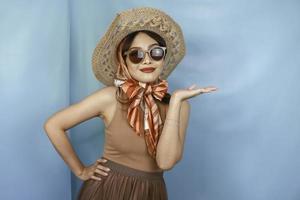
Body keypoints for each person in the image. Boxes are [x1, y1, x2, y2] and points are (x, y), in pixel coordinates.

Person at [44, 7, 217, 200]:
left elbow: (165, 162)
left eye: (156, 52)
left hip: (152, 193)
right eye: (136, 55)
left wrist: (175, 101)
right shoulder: (110, 98)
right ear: (124, 61)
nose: (147, 61)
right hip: (109, 190)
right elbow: (53, 125)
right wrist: (81, 171)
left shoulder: (180, 106)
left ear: (163, 58)